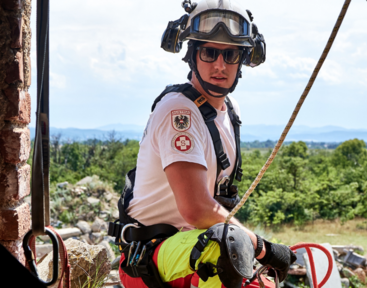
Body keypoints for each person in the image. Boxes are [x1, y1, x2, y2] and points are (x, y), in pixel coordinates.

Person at [108, 1, 296, 287]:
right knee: (225, 246)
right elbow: (196, 209)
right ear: (192, 55)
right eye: (209, 52)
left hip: (193, 248)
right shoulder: (178, 112)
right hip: (151, 256)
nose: (219, 65)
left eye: (231, 54)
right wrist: (262, 247)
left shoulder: (230, 110)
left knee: (247, 268)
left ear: (243, 59)